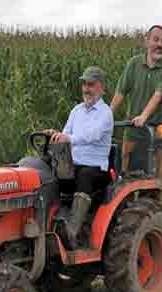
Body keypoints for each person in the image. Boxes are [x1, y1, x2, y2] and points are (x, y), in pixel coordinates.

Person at [45, 66, 113, 250]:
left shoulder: (105, 113)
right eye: (84, 84)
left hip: (96, 168)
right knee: (47, 171)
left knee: (84, 176)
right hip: (74, 163)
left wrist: (69, 139)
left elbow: (93, 135)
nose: (86, 89)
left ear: (101, 87)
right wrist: (56, 135)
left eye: (91, 84)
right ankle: (48, 221)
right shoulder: (77, 110)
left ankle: (72, 231)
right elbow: (66, 133)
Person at [110, 24, 162, 178]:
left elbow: (158, 95)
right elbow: (121, 92)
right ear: (146, 41)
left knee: (158, 160)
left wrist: (144, 116)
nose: (160, 44)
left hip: (156, 123)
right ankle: (124, 184)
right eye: (156, 40)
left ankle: (156, 194)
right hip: (133, 122)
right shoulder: (134, 64)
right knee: (126, 156)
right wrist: (107, 115)